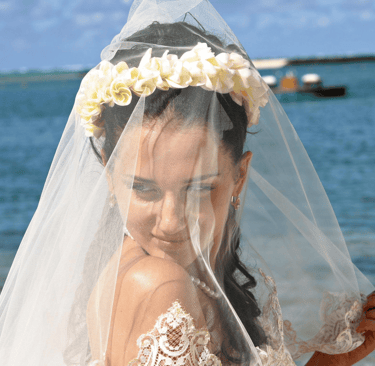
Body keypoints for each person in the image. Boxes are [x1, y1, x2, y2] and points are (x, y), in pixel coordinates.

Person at [0, 0, 374, 365]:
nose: (170, 221)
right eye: (144, 188)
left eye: (197, 189)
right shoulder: (160, 286)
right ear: (109, 177)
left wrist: (332, 362)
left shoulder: (169, 275)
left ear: (239, 177)